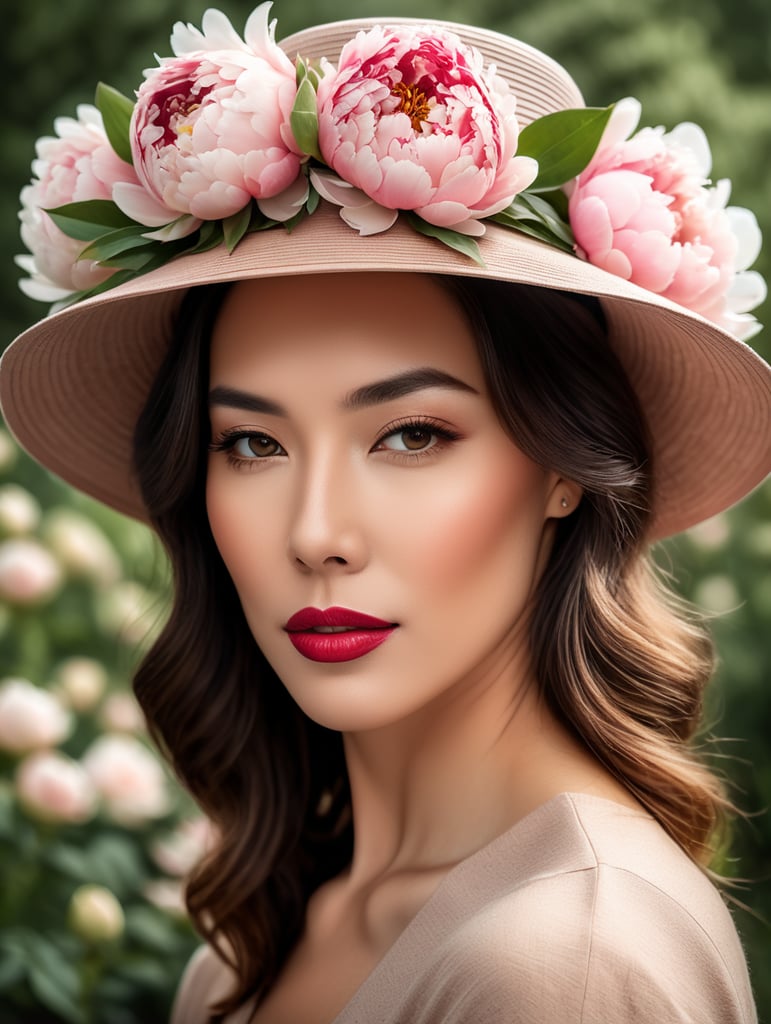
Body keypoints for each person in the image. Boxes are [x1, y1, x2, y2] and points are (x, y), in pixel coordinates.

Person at [1, 6, 768, 1022]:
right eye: (252, 443)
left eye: (411, 435)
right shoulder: (262, 940)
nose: (316, 531)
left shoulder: (563, 966)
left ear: (562, 465)